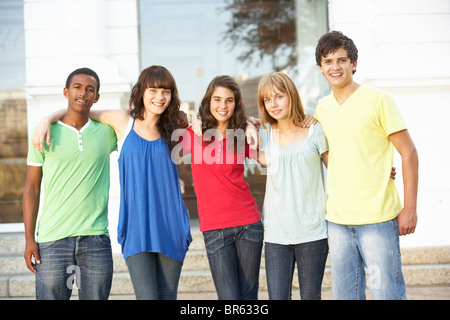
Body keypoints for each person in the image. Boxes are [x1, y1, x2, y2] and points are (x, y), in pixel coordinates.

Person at [31, 65, 192, 300]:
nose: (159, 97)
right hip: (137, 228)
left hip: (171, 224)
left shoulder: (174, 127)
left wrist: (248, 123)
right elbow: (80, 110)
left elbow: (217, 127)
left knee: (168, 296)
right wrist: (46, 119)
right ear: (142, 91)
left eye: (165, 91)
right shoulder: (123, 120)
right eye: (153, 90)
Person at [314, 31, 419, 300]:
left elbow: (409, 154)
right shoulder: (321, 110)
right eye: (328, 61)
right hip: (337, 220)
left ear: (354, 63)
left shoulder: (379, 100)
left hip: (377, 218)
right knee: (346, 296)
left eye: (341, 60)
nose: (335, 67)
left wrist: (409, 209)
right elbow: (330, 156)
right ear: (320, 68)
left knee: (387, 294)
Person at [23, 67, 116, 300]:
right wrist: (29, 239)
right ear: (66, 91)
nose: (82, 93)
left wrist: (49, 115)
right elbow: (31, 188)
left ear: (97, 97)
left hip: (96, 239)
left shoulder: (107, 133)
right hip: (53, 241)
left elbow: (133, 117)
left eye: (90, 89)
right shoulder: (43, 132)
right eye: (77, 87)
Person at [176, 75, 263, 300]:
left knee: (248, 297)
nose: (222, 106)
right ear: (208, 102)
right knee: (229, 299)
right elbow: (160, 139)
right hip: (215, 229)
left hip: (248, 224)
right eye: (217, 99)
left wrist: (250, 123)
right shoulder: (193, 134)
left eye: (229, 100)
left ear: (236, 104)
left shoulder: (243, 135)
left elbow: (264, 157)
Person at [256, 72, 329, 300]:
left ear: (291, 96)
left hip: (312, 230)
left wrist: (377, 172)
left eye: (279, 96)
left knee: (310, 296)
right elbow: (227, 128)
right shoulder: (265, 134)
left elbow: (338, 170)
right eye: (267, 100)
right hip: (277, 233)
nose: (273, 104)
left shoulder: (314, 129)